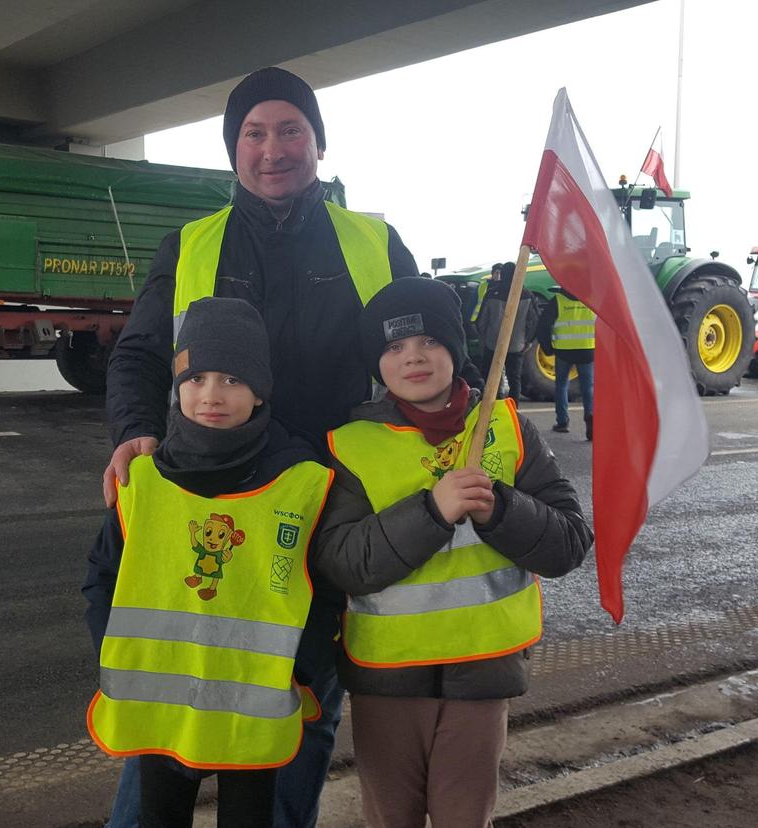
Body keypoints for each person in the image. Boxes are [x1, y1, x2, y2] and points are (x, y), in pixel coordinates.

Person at [100, 66, 421, 827]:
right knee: (165, 726)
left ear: (317, 143)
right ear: (232, 149)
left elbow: (427, 347)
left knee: (293, 713)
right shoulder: (192, 244)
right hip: (201, 506)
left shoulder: (373, 241)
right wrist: (133, 429)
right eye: (254, 133)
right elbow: (141, 355)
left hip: (322, 513)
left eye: (290, 131)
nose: (272, 149)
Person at [311, 277, 592, 828]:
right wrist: (431, 512)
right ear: (377, 362)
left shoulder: (510, 430)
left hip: (481, 678)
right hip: (387, 680)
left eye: (429, 342)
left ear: (455, 350)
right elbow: (342, 561)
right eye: (393, 347)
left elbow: (568, 545)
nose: (413, 357)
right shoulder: (349, 445)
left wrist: (501, 509)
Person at [83, 297, 334, 828]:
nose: (211, 395)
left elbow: (326, 588)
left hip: (255, 710)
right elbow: (103, 577)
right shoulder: (143, 480)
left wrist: (303, 669)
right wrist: (115, 652)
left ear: (260, 390)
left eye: (231, 380)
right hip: (161, 709)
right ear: (176, 388)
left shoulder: (300, 480)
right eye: (195, 379)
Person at [474, 261, 537, 404]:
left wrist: (484, 338)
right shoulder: (526, 294)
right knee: (514, 379)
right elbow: (533, 321)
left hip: (492, 343)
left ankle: (491, 407)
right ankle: (513, 410)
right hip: (516, 344)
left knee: (489, 377)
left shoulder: (492, 293)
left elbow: (482, 321)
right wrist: (527, 341)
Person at [537, 287, 595, 438]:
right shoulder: (592, 299)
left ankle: (562, 422)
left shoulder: (558, 300)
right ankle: (590, 415)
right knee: (588, 387)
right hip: (587, 349)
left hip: (564, 351)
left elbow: (543, 325)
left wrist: (548, 348)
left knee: (561, 386)